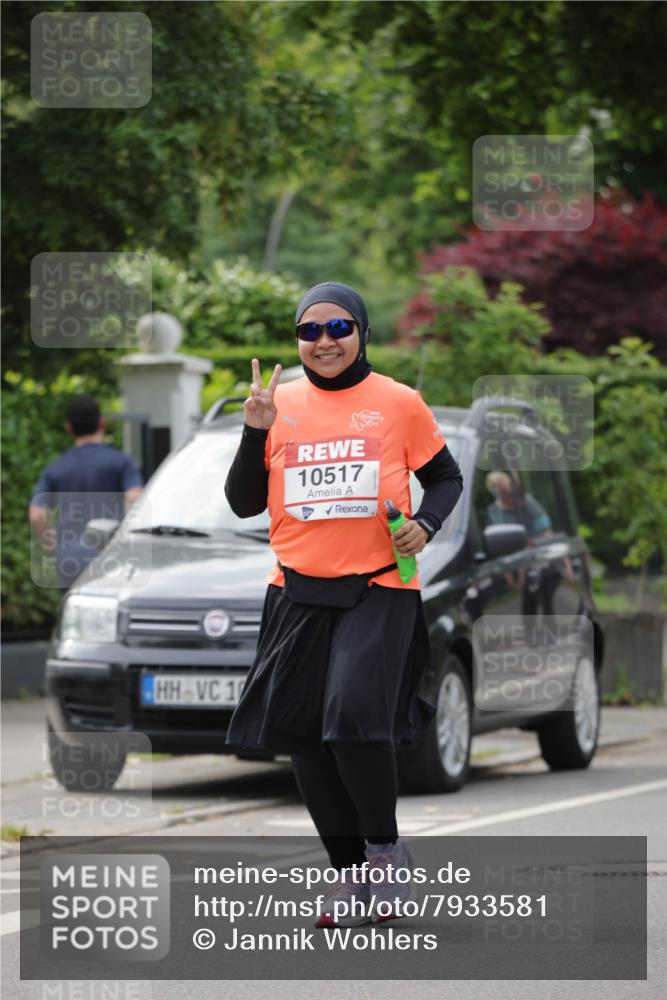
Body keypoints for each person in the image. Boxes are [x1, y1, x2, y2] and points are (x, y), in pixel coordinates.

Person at [224, 282, 463, 928]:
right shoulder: (279, 405)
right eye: (309, 331)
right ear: (297, 340)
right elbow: (244, 503)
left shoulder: (397, 402)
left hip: (380, 583)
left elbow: (444, 478)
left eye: (337, 328)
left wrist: (428, 526)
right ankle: (349, 874)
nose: (323, 342)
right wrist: (254, 433)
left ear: (359, 331)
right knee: (301, 733)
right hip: (296, 588)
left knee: (353, 716)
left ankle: (383, 854)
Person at [28, 395, 144, 591]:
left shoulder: (56, 467)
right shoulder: (121, 462)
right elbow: (135, 497)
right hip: (107, 553)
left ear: (69, 428)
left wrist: (48, 538)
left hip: (68, 557)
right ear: (102, 424)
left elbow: (37, 514)